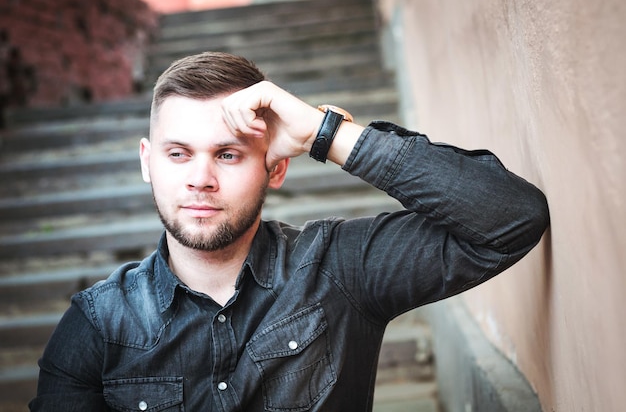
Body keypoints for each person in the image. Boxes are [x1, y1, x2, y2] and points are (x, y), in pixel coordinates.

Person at [30, 51, 549, 411]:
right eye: (178, 153)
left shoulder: (339, 269)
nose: (200, 179)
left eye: (228, 154)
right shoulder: (97, 327)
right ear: (148, 163)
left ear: (275, 168)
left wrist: (327, 134)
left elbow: (509, 218)